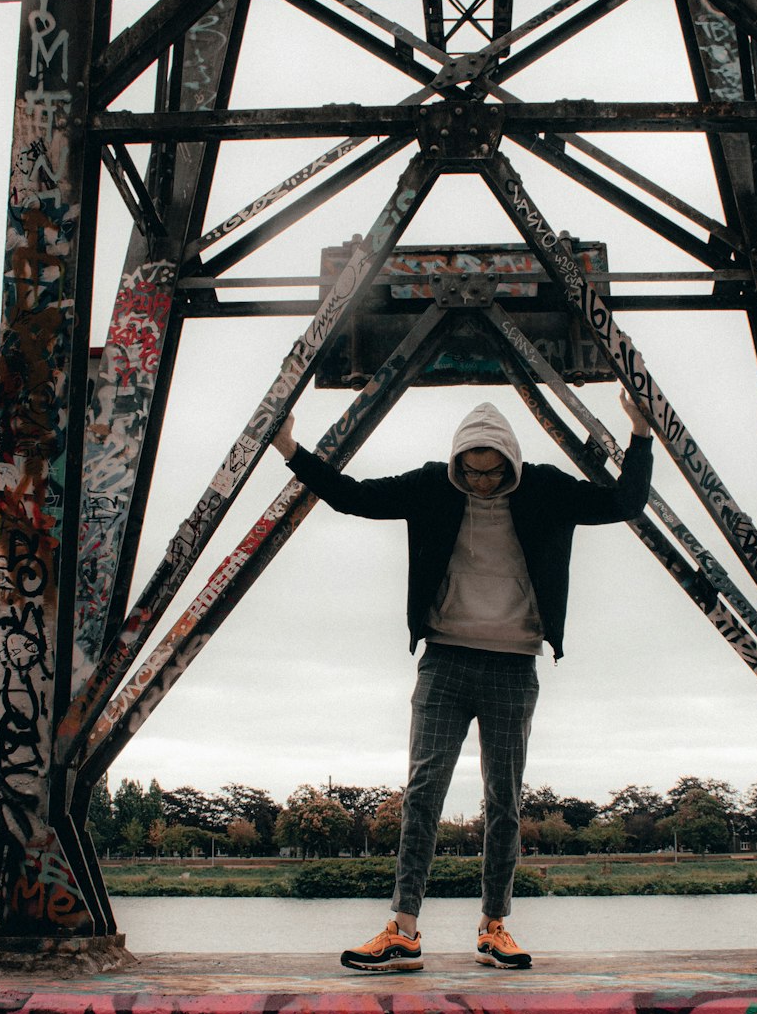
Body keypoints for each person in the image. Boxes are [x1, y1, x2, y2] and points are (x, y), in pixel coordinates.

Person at [273, 390, 652, 973]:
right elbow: (352, 498)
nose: (479, 482)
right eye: (469, 472)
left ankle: (494, 926)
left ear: (512, 463)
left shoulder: (547, 489)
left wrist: (640, 433)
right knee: (422, 794)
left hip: (512, 664)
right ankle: (403, 931)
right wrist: (288, 447)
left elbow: (627, 501)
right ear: (456, 464)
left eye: (491, 471)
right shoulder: (431, 486)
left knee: (505, 801)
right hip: (444, 661)